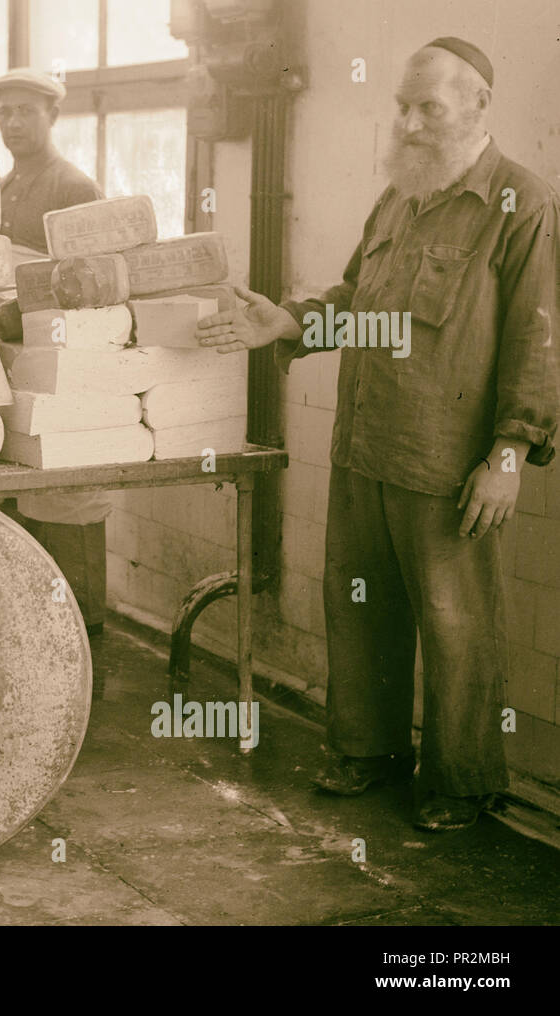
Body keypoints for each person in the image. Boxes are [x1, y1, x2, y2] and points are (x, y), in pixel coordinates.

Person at [197, 38, 559, 830]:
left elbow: (539, 339)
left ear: (477, 108)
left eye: (430, 107)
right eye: (403, 105)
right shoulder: (400, 194)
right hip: (366, 443)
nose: (412, 122)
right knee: (359, 607)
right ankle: (369, 750)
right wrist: (289, 321)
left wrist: (509, 454)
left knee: (457, 625)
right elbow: (358, 296)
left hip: (446, 457)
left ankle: (462, 785)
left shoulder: (522, 203)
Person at [0, 67, 112, 635]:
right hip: (17, 361)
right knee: (26, 507)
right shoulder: (4, 188)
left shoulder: (73, 187)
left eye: (24, 111)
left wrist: (21, 307)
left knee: (68, 504)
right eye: (3, 113)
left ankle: (88, 652)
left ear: (53, 117)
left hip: (66, 369)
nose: (12, 122)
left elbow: (92, 293)